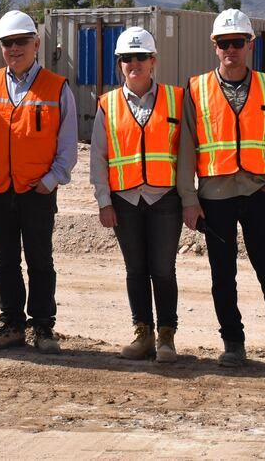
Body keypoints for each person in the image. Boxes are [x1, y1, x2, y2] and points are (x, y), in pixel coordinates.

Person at [177, 8, 265, 375]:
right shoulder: (196, 89)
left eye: (238, 42)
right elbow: (186, 149)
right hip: (215, 198)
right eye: (224, 43)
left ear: (250, 44)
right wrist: (189, 198)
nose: (231, 49)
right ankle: (233, 344)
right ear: (215, 46)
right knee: (222, 276)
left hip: (258, 195)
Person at [0, 10, 78, 355]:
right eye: (8, 43)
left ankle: (43, 327)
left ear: (36, 44)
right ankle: (11, 324)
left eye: (21, 42)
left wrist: (52, 180)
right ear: (1, 47)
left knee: (41, 261)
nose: (14, 49)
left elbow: (68, 144)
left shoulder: (57, 88)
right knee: (5, 261)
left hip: (36, 192)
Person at [90, 27, 183, 363]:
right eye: (127, 58)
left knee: (163, 269)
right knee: (135, 270)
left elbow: (186, 154)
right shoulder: (108, 105)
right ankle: (142, 333)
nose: (134, 63)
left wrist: (189, 198)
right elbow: (98, 157)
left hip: (165, 201)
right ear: (120, 64)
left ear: (153, 61)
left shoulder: (176, 99)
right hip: (125, 202)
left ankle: (166, 338)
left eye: (141, 56)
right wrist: (103, 201)